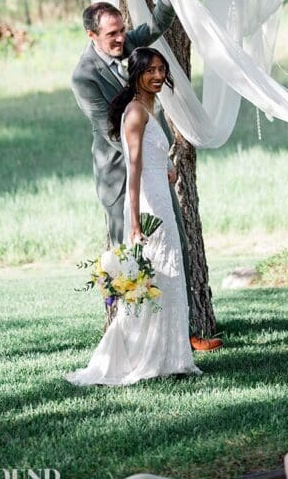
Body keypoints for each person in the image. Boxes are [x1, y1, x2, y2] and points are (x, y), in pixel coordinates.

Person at [71, 0, 222, 352]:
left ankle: (183, 333)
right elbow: (110, 130)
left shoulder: (128, 46)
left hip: (153, 170)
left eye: (122, 30)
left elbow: (155, 25)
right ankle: (135, 339)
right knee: (131, 259)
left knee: (174, 246)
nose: (121, 38)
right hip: (121, 176)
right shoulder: (84, 77)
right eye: (112, 34)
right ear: (92, 36)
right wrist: (155, 157)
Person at [66, 48, 202, 386]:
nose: (157, 76)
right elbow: (134, 168)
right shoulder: (136, 112)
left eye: (161, 69)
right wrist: (137, 222)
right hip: (147, 204)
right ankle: (146, 356)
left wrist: (168, 167)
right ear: (137, 73)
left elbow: (152, 157)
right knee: (156, 279)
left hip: (161, 196)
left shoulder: (149, 107)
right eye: (150, 70)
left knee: (168, 278)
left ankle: (171, 357)